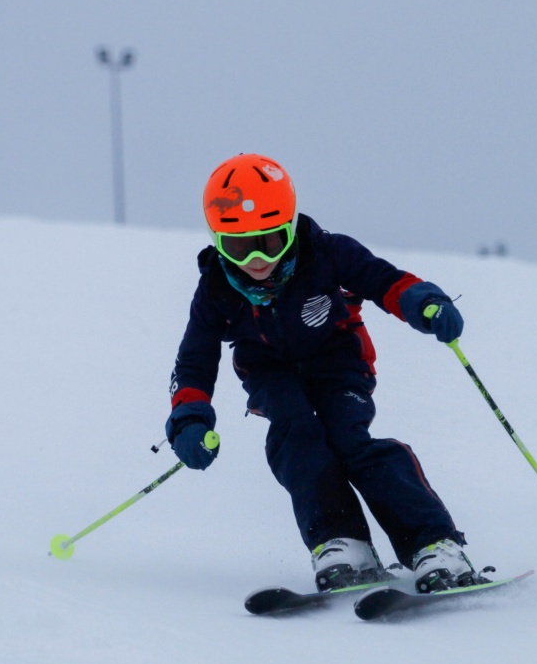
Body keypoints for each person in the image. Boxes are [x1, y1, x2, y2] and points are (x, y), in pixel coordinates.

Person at [165, 153, 481, 593]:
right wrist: (189, 420)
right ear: (218, 241)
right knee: (296, 437)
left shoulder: (325, 252)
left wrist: (424, 303)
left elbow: (384, 280)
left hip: (338, 361)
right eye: (238, 247)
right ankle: (342, 542)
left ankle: (434, 543)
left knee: (350, 440)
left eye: (270, 242)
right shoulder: (216, 287)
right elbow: (195, 358)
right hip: (270, 374)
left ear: (290, 226)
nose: (256, 259)